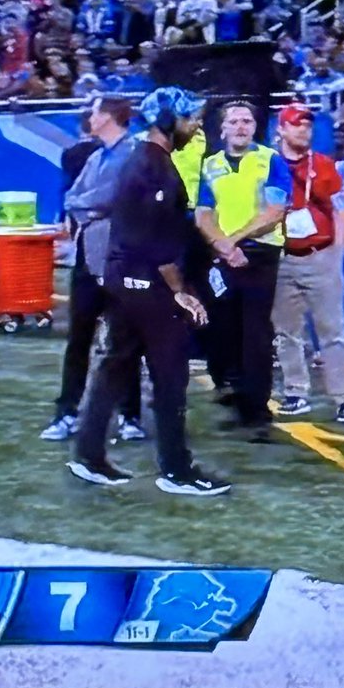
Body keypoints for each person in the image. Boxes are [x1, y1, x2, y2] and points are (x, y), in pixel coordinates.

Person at [68, 87, 229, 496]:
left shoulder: (144, 160)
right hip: (149, 286)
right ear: (166, 120)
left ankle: (88, 455)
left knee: (115, 366)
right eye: (189, 118)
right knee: (170, 374)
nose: (195, 127)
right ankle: (176, 470)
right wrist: (181, 291)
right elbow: (154, 241)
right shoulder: (153, 167)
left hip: (124, 280)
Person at [40, 96, 143, 442]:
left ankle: (130, 415)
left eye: (96, 111)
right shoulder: (95, 156)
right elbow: (74, 197)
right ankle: (66, 412)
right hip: (87, 256)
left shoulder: (135, 153)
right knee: (78, 340)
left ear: (110, 117)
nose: (90, 117)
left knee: (124, 340)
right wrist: (92, 206)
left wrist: (91, 205)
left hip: (122, 258)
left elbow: (113, 197)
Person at [195, 101, 292, 441]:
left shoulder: (270, 160)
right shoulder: (210, 166)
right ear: (222, 129)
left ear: (255, 127)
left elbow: (275, 210)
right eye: (233, 121)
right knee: (223, 328)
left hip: (259, 254)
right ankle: (234, 395)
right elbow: (203, 213)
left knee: (255, 332)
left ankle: (257, 412)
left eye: (247, 120)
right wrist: (222, 245)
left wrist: (233, 240)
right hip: (223, 255)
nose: (240, 126)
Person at [271, 103, 344, 424]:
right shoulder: (266, 164)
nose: (303, 130)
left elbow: (340, 202)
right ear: (280, 130)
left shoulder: (322, 165)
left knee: (332, 331)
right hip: (282, 258)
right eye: (296, 125)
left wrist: (340, 243)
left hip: (320, 255)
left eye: (307, 125)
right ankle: (296, 392)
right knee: (286, 331)